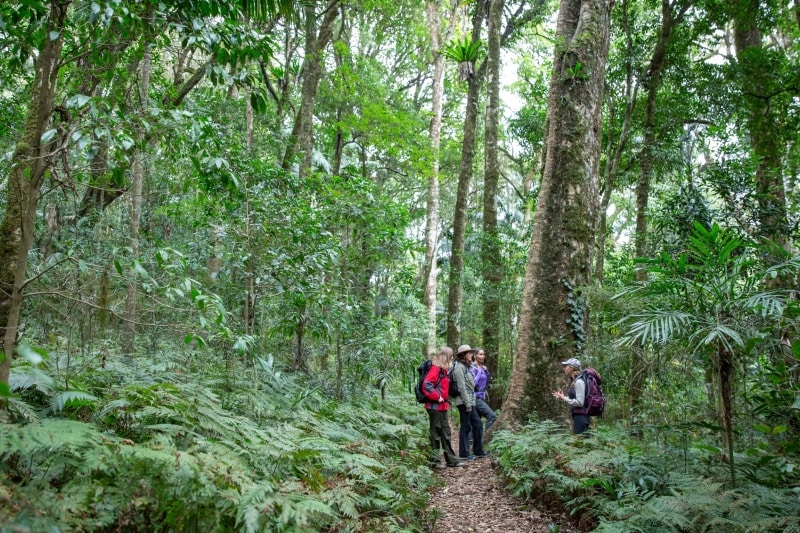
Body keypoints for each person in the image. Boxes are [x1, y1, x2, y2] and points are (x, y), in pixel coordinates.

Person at [422, 346, 464, 468]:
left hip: (442, 407)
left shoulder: (443, 370)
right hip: (434, 407)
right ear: (446, 357)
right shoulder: (435, 369)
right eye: (451, 356)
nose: (452, 359)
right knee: (435, 434)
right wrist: (437, 396)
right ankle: (435, 461)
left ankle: (451, 460)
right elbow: (427, 385)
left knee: (446, 433)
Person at [452, 344, 487, 459]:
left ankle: (478, 451)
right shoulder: (459, 368)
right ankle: (464, 453)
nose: (472, 355)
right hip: (463, 402)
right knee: (466, 426)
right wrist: (467, 404)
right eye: (470, 353)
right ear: (464, 355)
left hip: (470, 401)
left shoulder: (466, 366)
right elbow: (461, 388)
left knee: (477, 424)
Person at [551, 357, 590, 436]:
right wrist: (563, 397)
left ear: (571, 368)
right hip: (578, 416)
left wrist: (564, 398)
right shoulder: (574, 381)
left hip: (581, 417)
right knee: (581, 442)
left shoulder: (579, 382)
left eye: (566, 366)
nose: (564, 369)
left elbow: (579, 403)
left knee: (582, 442)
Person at [470, 348, 497, 433]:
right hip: (475, 397)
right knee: (491, 416)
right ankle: (486, 438)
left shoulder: (482, 367)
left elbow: (486, 382)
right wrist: (478, 371)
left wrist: (485, 371)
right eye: (480, 354)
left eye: (483, 354)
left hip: (481, 396)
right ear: (474, 356)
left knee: (476, 421)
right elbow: (473, 383)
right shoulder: (472, 368)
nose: (483, 356)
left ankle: (471, 442)